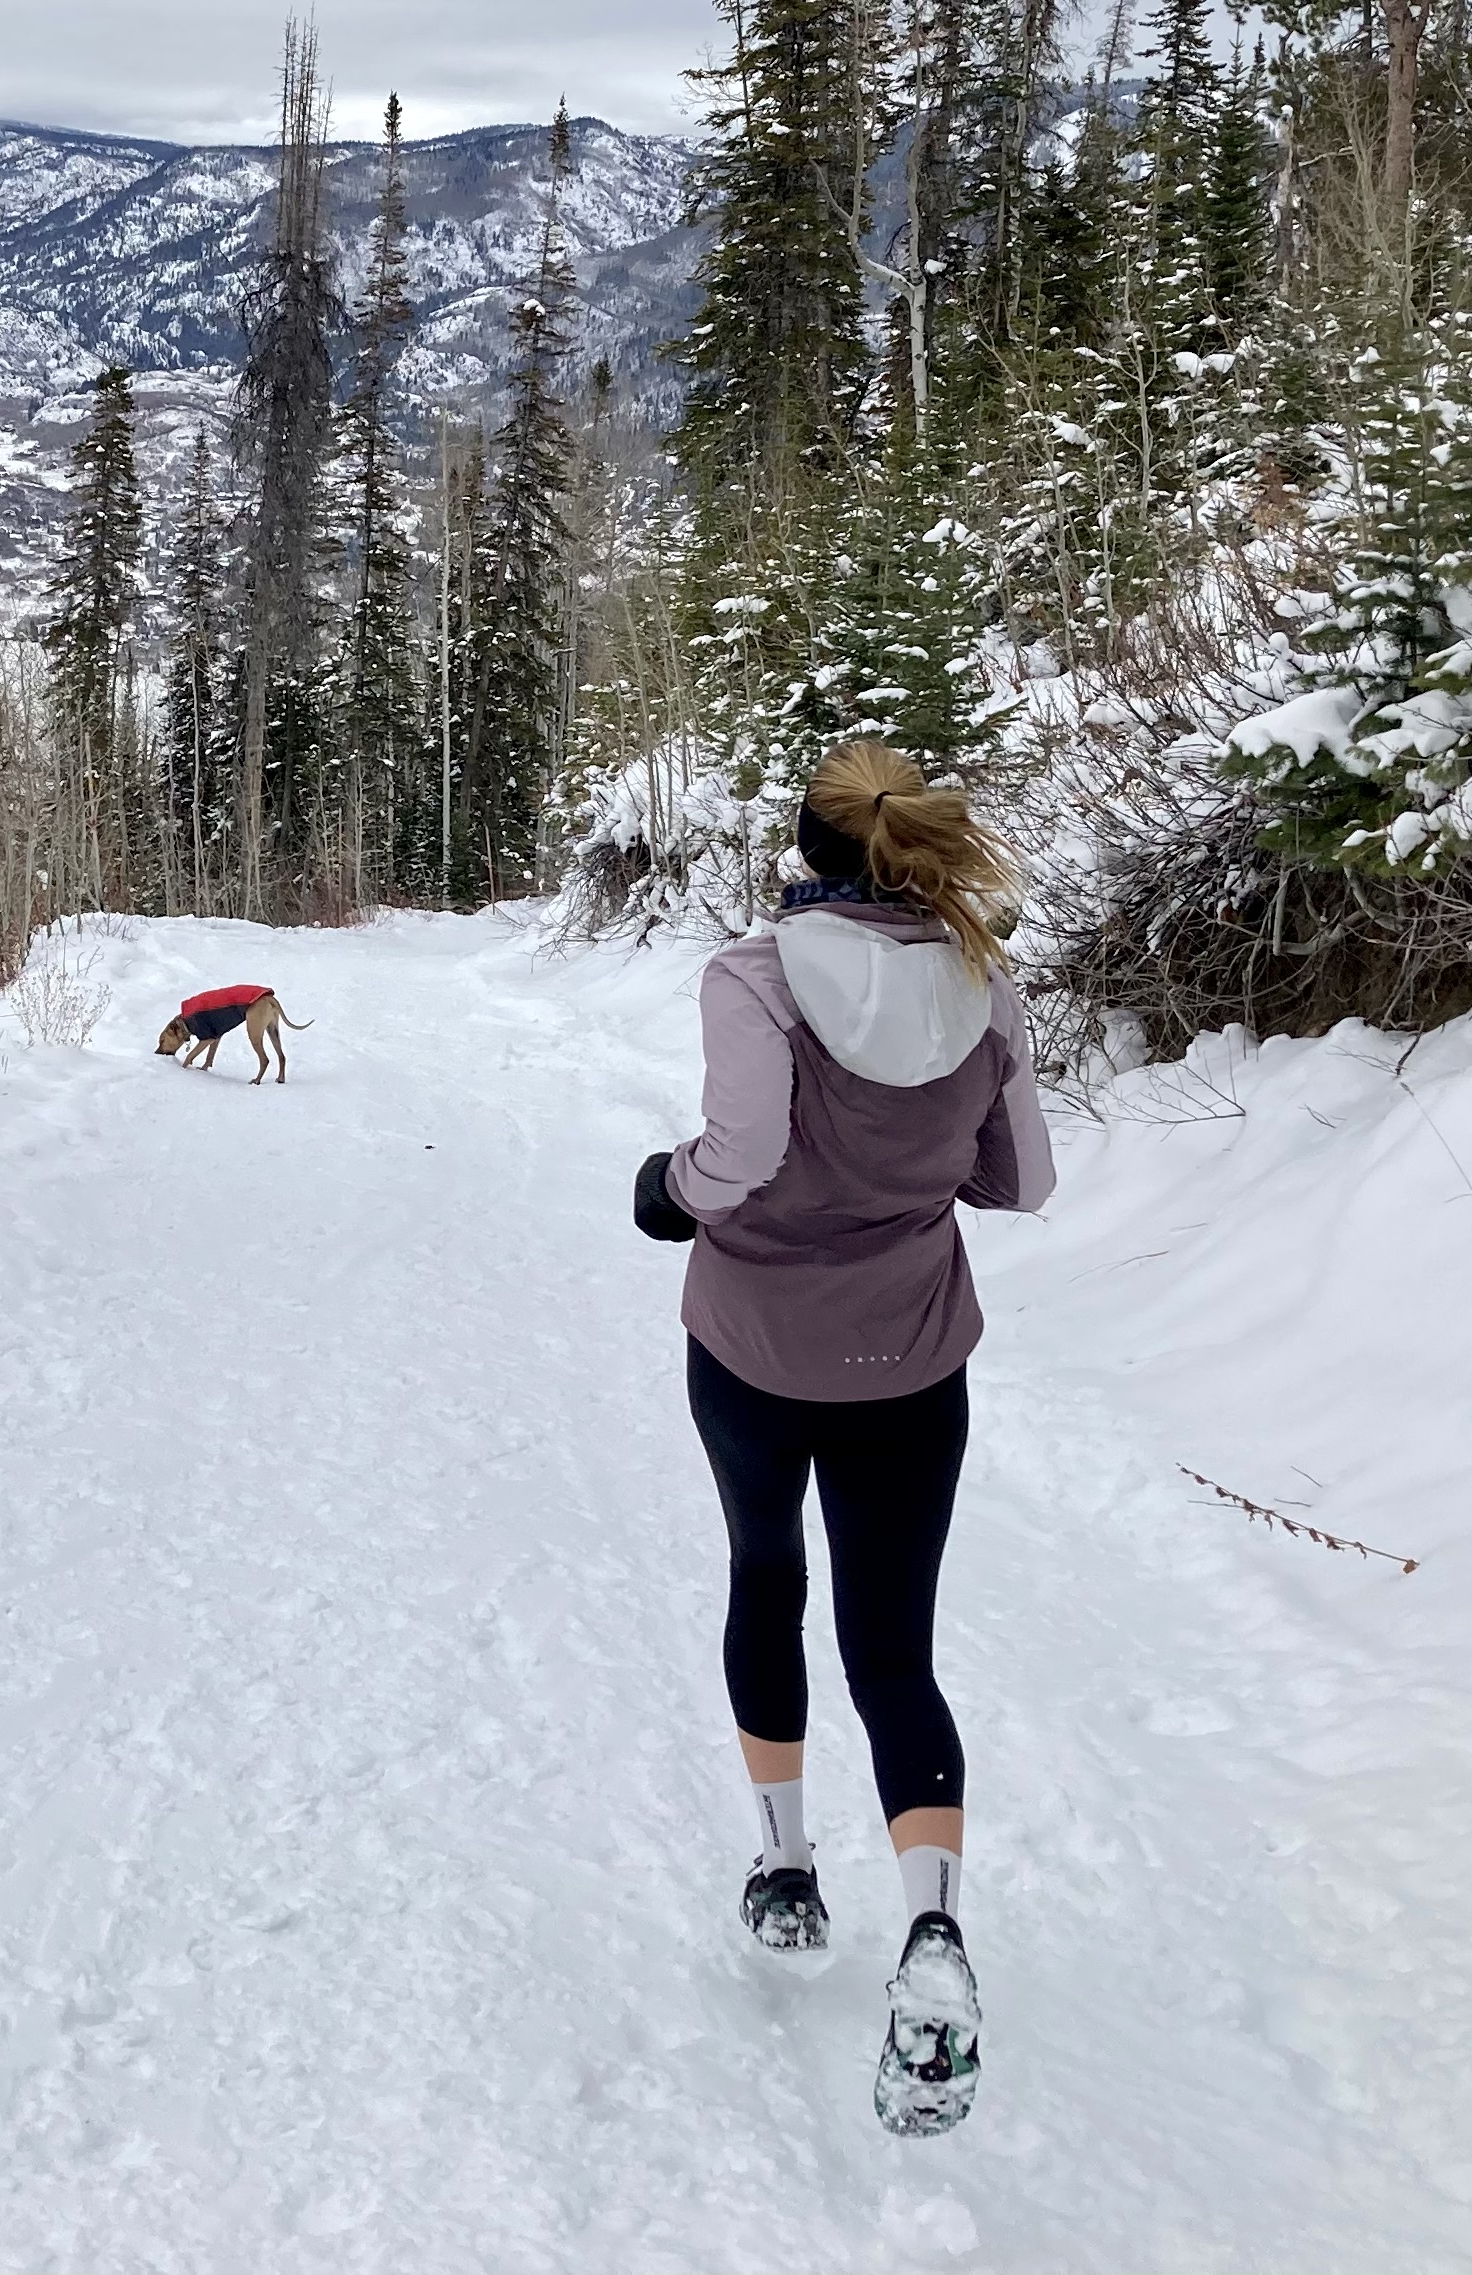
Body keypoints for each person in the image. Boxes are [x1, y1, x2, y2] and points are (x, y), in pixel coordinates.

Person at [632, 738, 1055, 2138]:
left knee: (767, 1580)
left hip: (754, 1342)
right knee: (893, 1648)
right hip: (913, 1350)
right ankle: (931, 1930)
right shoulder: (979, 981)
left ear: (805, 851)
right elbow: (1020, 1179)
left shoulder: (754, 980)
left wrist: (665, 1189)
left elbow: (738, 1158)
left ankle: (786, 1873)